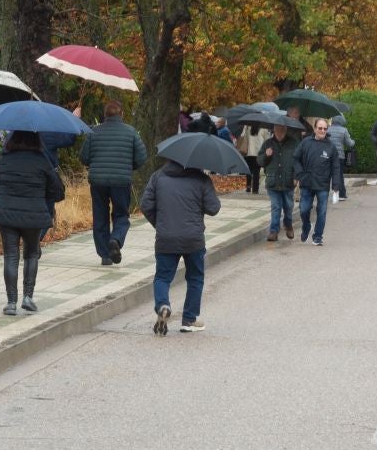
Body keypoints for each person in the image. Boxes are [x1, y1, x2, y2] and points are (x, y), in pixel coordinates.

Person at [140, 152, 220, 335]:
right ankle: (189, 320)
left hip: (166, 238)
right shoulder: (201, 179)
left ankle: (163, 305)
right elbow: (214, 208)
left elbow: (146, 205)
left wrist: (159, 224)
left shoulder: (158, 177)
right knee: (195, 278)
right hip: (193, 239)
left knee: (162, 277)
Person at [0, 130, 64, 314]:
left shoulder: (5, 159)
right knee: (31, 253)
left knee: (11, 256)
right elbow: (58, 191)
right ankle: (28, 297)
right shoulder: (43, 160)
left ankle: (11, 302)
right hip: (34, 214)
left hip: (7, 214)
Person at [83, 100, 147, 265]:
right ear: (122, 114)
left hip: (98, 181)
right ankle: (116, 240)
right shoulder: (131, 132)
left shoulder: (93, 132)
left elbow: (83, 157)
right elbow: (141, 158)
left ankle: (105, 254)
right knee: (121, 214)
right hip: (121, 180)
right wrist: (128, 167)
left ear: (105, 115)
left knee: (100, 216)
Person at [294, 118, 341, 246]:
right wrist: (300, 174)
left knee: (322, 211)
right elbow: (296, 158)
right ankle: (306, 226)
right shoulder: (305, 143)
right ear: (315, 129)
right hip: (307, 183)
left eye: (325, 129)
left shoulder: (331, 147)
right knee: (304, 210)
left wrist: (336, 186)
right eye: (320, 128)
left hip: (322, 185)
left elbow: (336, 167)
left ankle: (318, 236)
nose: (322, 131)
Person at [259, 122, 300, 242]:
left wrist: (296, 176)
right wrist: (266, 155)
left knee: (288, 206)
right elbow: (260, 161)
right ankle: (274, 231)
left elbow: (299, 161)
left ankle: (288, 226)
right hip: (273, 180)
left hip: (288, 181)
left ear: (286, 129)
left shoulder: (294, 143)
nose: (280, 131)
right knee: (276, 206)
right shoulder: (268, 143)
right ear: (273, 129)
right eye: (277, 129)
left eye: (282, 129)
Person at [238, 120, 269, 195]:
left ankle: (248, 186)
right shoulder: (263, 128)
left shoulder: (248, 126)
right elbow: (267, 140)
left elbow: (242, 136)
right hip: (258, 153)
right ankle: (255, 189)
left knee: (248, 170)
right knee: (256, 171)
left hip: (248, 152)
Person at [327, 115, 354, 201]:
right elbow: (350, 144)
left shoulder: (327, 129)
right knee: (339, 175)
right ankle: (341, 194)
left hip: (327, 155)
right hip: (339, 156)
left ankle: (324, 193)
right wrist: (353, 141)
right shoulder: (344, 130)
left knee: (326, 175)